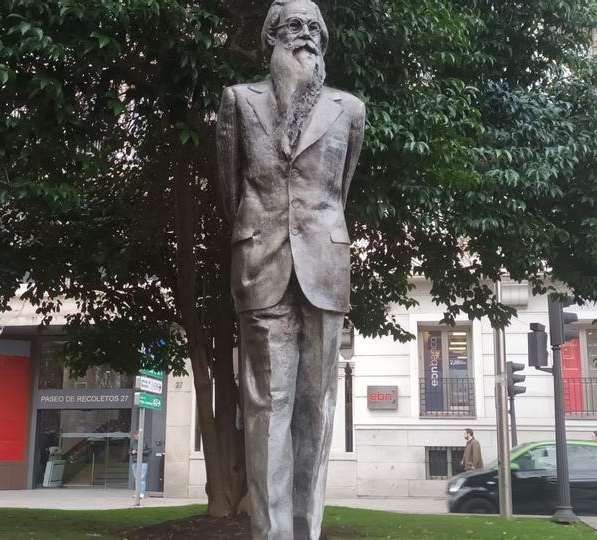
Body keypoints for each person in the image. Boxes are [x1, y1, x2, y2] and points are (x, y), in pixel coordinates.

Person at [215, 1, 365, 538]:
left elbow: (337, 190)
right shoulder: (238, 101)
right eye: (293, 28)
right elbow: (231, 190)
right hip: (261, 265)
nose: (305, 37)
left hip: (324, 268)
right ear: (271, 39)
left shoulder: (349, 109)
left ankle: (307, 531)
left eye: (313, 28)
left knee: (317, 409)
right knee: (267, 407)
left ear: (324, 40)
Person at [129, 430, 151, 499]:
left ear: (140, 435)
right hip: (134, 462)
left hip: (143, 462)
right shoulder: (134, 442)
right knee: (136, 478)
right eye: (135, 436)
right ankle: (137, 493)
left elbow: (150, 450)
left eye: (137, 436)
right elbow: (129, 450)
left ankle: (141, 493)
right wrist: (132, 452)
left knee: (141, 478)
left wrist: (141, 452)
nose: (136, 437)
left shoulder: (145, 442)